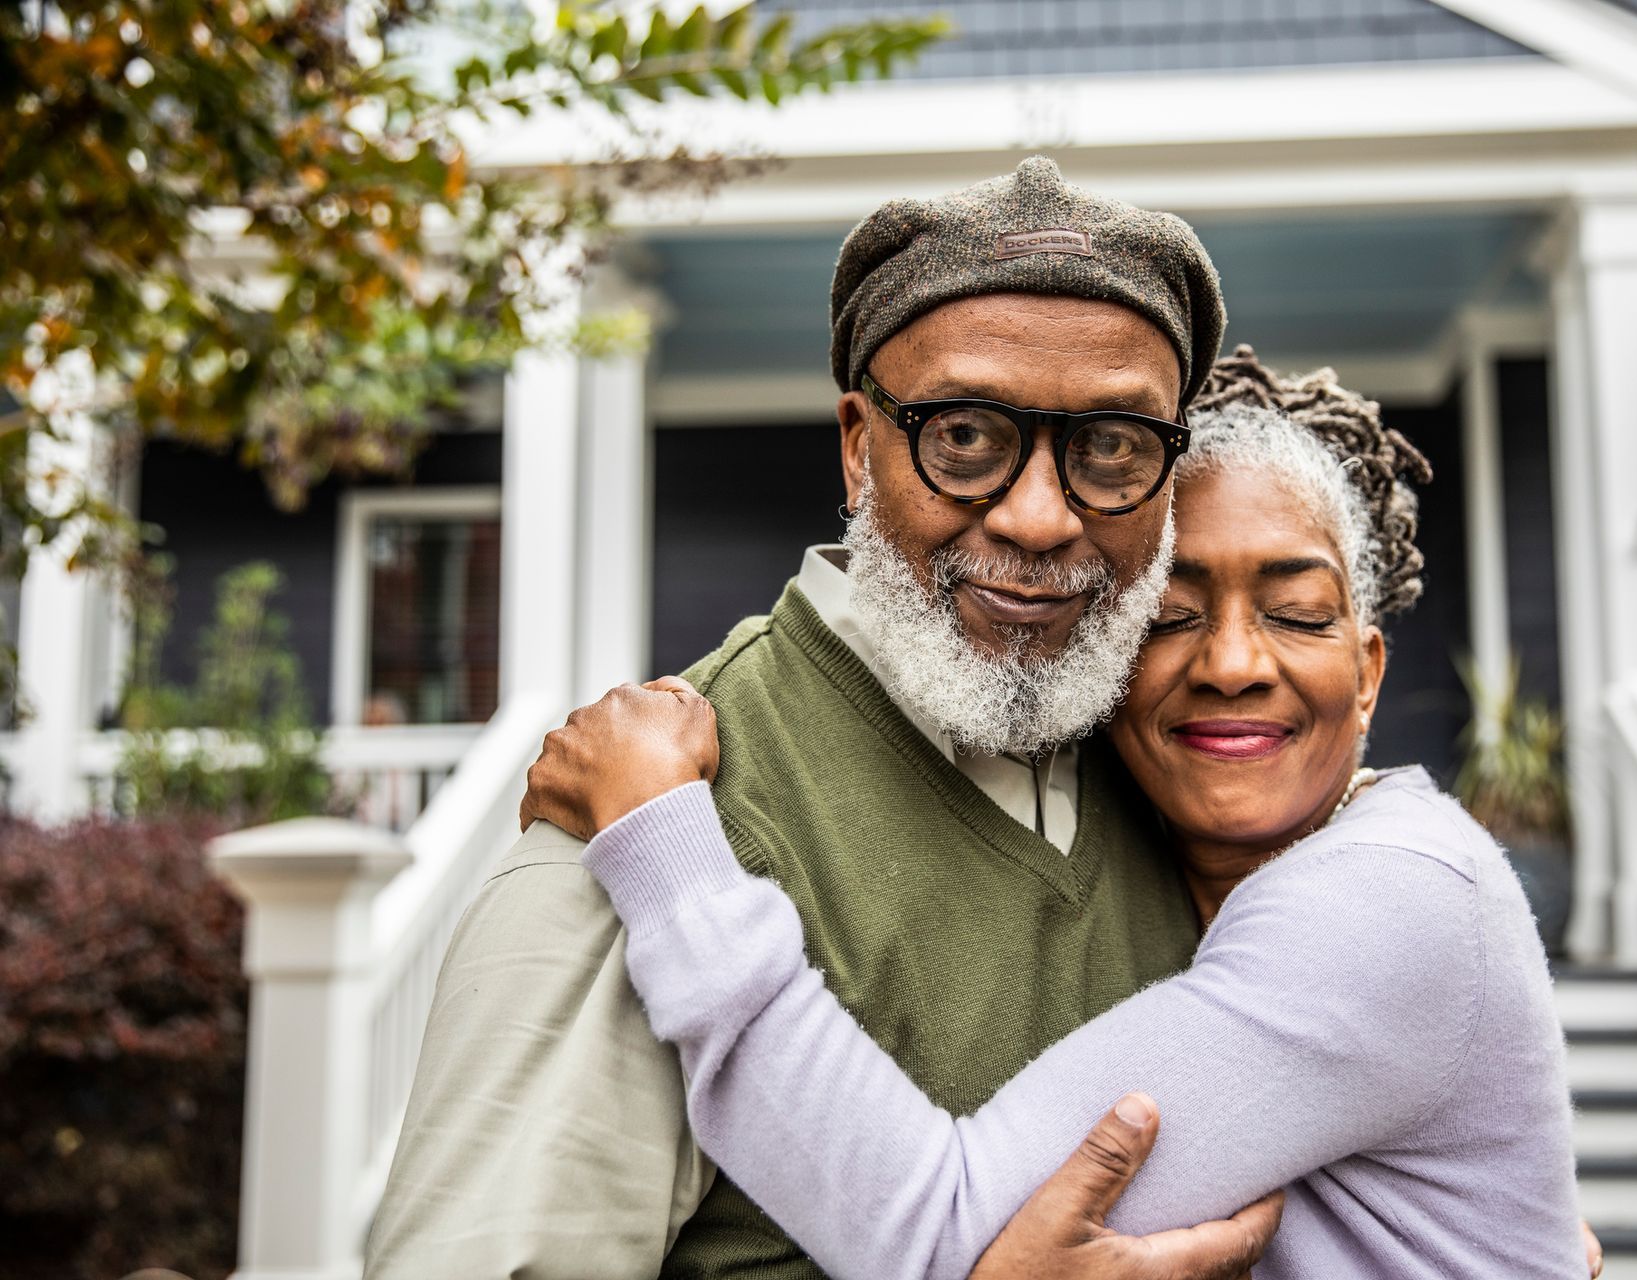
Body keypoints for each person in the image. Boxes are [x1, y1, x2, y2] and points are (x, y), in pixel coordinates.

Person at [364, 157, 1286, 1280]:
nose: (1042, 516)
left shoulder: (1190, 793)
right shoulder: (652, 828)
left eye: (1113, 447)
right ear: (859, 443)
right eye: (964, 435)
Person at [524, 356, 1591, 1277]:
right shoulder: (1150, 855)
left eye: (1298, 611)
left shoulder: (1383, 900)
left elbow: (943, 1229)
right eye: (1171, 615)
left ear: (1368, 674)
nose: (1230, 662)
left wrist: (664, 843)